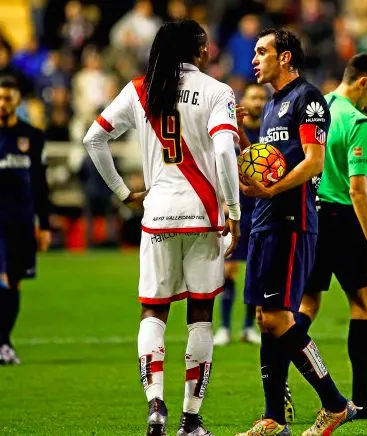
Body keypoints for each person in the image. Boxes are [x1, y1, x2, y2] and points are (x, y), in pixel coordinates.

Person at [82, 20, 241, 436]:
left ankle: (155, 404)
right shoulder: (217, 91)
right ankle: (191, 419)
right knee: (201, 315)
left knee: (153, 311)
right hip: (203, 217)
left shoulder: (139, 89)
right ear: (201, 50)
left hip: (157, 215)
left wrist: (122, 192)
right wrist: (234, 211)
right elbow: (225, 150)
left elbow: (92, 140)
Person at [236, 28, 355, 436]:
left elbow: (313, 162)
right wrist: (238, 139)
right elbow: (267, 161)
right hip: (265, 220)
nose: (254, 58)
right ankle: (274, 417)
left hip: (291, 222)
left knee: (278, 317)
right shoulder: (272, 106)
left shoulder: (307, 99)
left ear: (285, 57)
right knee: (266, 318)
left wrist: (270, 189)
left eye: (262, 51)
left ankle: (335, 403)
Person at [297, 53, 367, 419]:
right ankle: (359, 398)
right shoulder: (357, 121)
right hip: (340, 217)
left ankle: (280, 369)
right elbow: (357, 189)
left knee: (307, 305)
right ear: (362, 82)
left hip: (310, 212)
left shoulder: (319, 105)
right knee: (363, 303)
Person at [0, 75, 51, 365]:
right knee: (4, 279)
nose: (2, 104)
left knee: (15, 281)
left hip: (21, 221)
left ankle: (5, 341)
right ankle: (3, 343)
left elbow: (40, 184)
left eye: (7, 98)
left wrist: (43, 224)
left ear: (18, 101)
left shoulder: (31, 136)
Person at [214, 83, 267, 346]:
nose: (257, 102)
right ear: (243, 101)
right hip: (237, 208)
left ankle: (248, 327)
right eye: (253, 97)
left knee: (256, 270)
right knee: (229, 269)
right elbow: (217, 167)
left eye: (261, 98)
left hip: (262, 208)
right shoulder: (230, 132)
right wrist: (221, 200)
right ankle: (224, 327)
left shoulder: (270, 131)